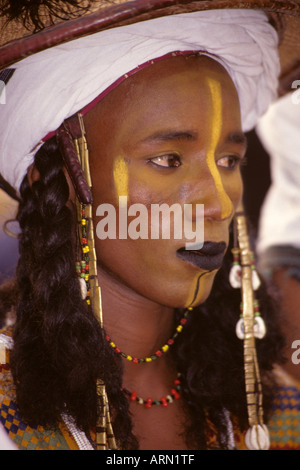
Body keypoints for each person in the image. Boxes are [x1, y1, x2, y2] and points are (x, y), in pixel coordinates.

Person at [0, 0, 299, 451]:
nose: (218, 202)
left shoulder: (272, 407)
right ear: (61, 181)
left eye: (229, 160)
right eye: (167, 161)